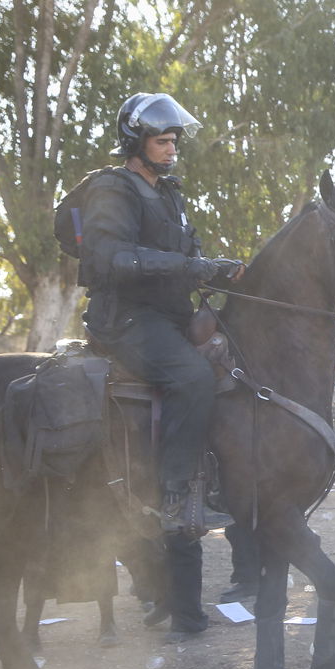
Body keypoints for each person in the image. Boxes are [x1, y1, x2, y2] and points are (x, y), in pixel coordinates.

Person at [79, 91, 243, 536]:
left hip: (170, 314)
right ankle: (173, 498)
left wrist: (217, 269)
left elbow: (188, 256)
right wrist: (189, 267)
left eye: (174, 142)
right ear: (137, 143)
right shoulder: (111, 189)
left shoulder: (170, 194)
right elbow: (114, 258)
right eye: (162, 142)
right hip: (127, 319)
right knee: (192, 376)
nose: (172, 150)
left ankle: (220, 482)